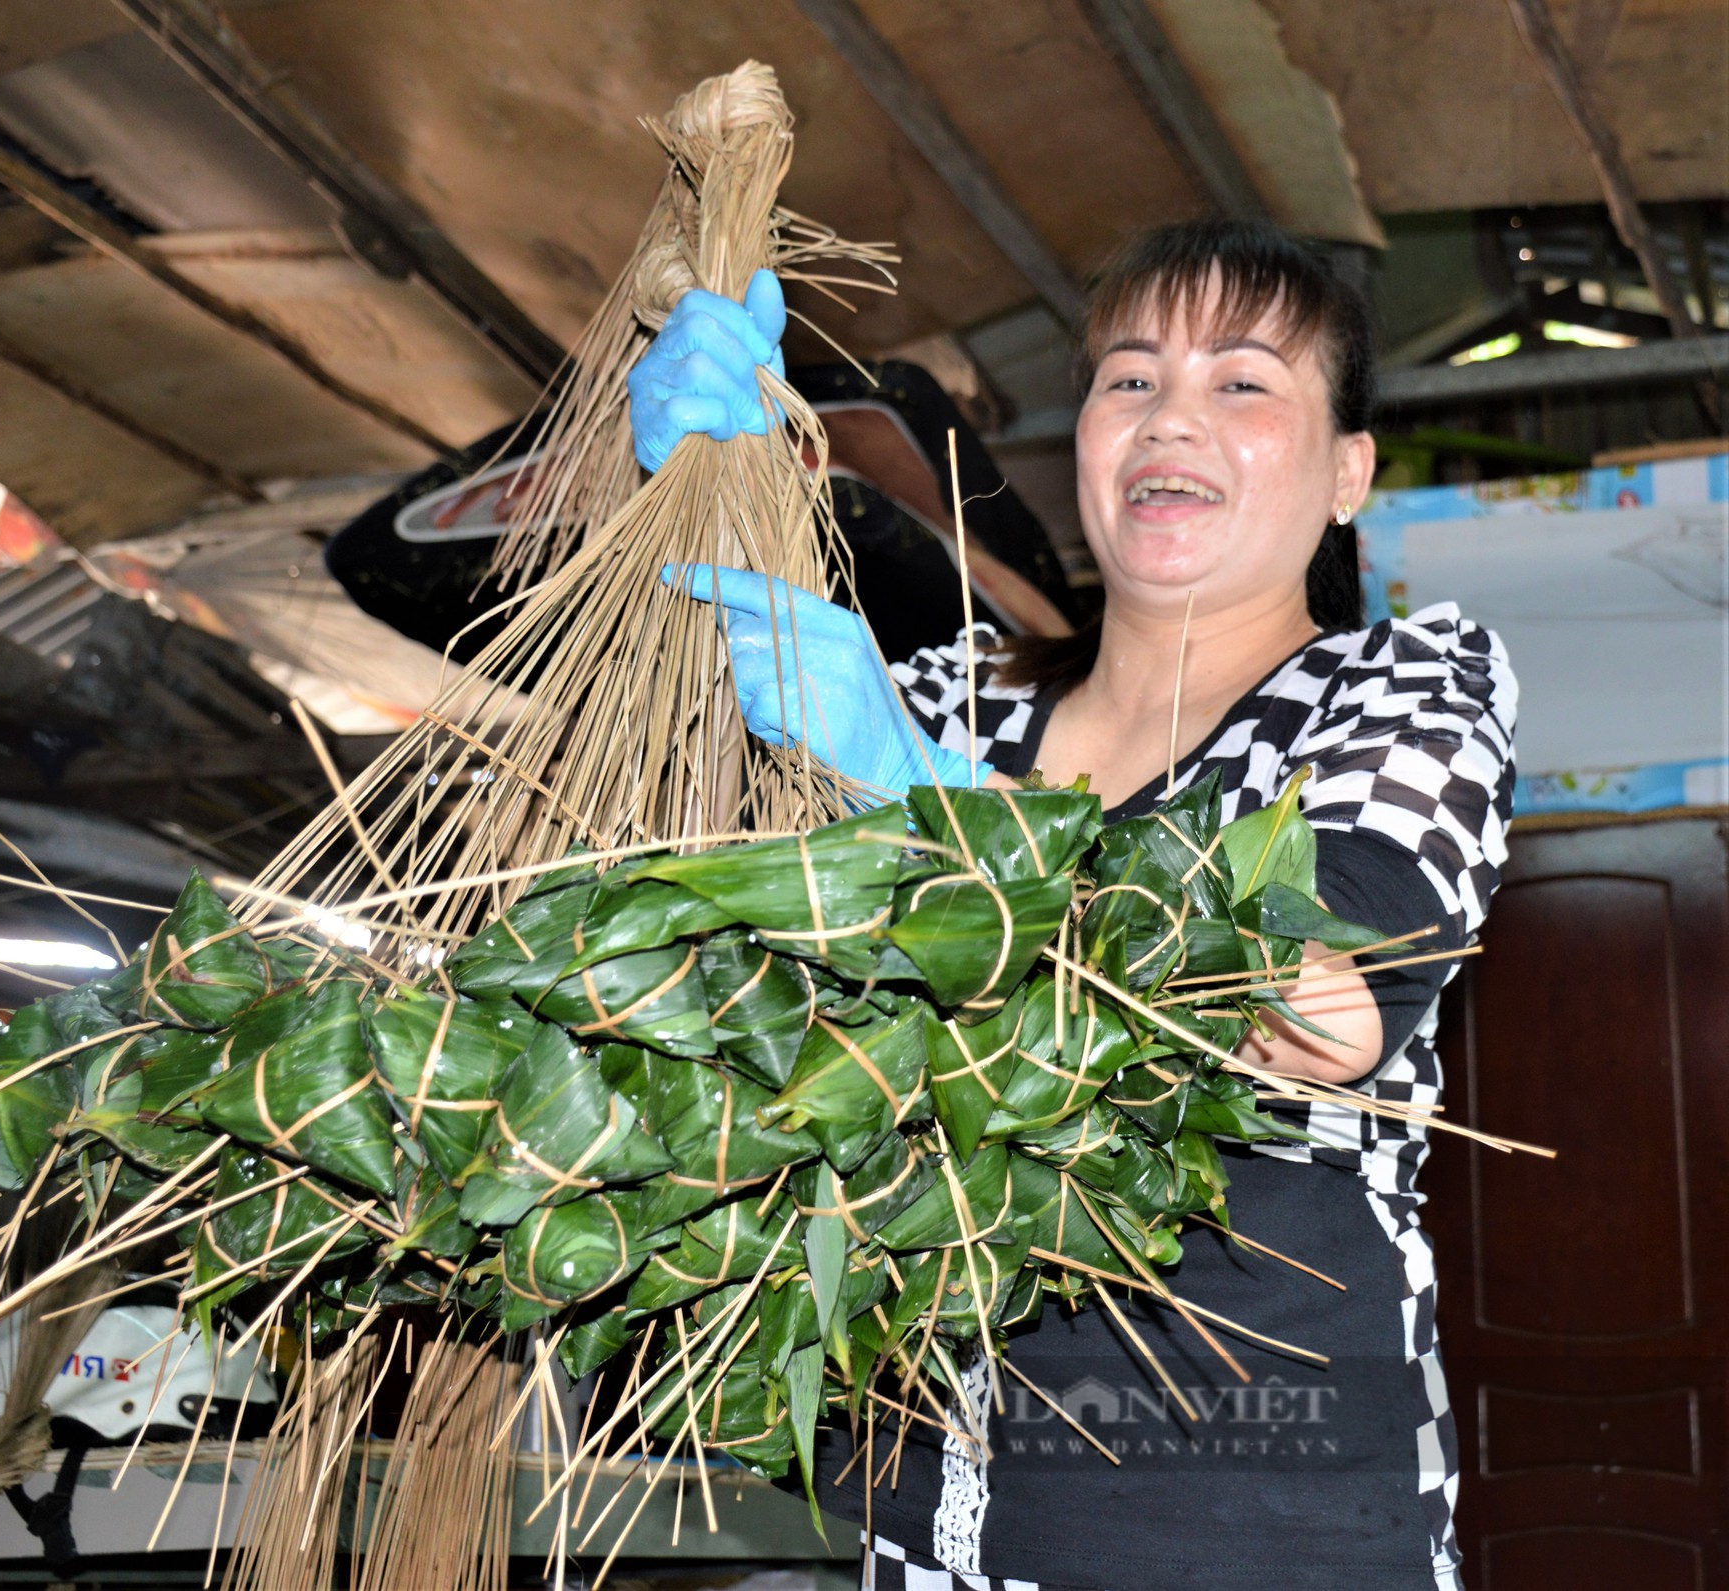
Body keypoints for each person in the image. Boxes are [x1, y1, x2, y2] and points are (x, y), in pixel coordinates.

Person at [629, 219, 1517, 1590]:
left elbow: (1315, 1014)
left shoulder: (1396, 691)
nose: (1173, 417)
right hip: (919, 1526)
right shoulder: (942, 703)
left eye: (1242, 383)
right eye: (1129, 379)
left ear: (1350, 475)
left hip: (1258, 1530)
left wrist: (933, 808)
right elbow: (675, 940)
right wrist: (687, 508)